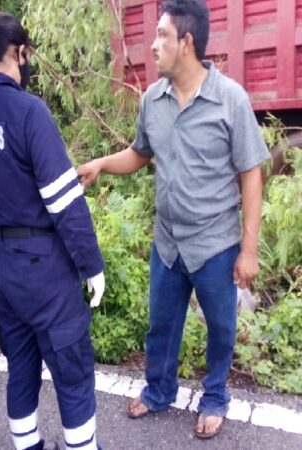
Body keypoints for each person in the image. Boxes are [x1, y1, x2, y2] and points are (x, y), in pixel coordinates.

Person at [77, 0, 269, 440]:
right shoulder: (153, 99)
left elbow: (251, 175)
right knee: (161, 325)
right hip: (168, 243)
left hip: (215, 246)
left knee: (221, 327)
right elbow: (141, 153)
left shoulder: (230, 100)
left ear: (186, 42)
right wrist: (102, 163)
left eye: (161, 35)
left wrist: (249, 249)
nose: (153, 44)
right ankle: (159, 389)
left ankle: (215, 395)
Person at [0, 13, 106, 450]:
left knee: (21, 368)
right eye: (27, 56)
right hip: (42, 268)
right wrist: (91, 264)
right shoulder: (28, 111)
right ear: (18, 53)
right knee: (72, 369)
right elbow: (64, 200)